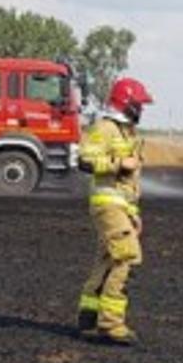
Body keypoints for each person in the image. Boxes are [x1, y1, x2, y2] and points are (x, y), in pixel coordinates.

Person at [76, 77, 154, 345]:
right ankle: (110, 324)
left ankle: (88, 317)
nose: (141, 110)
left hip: (120, 206)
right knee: (128, 257)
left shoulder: (128, 133)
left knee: (108, 259)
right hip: (107, 204)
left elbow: (129, 184)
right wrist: (120, 163)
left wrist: (133, 214)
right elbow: (84, 160)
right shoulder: (106, 128)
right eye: (139, 105)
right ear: (127, 103)